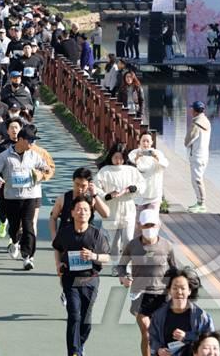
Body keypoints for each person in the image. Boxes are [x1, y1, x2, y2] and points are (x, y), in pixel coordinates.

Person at [51, 195, 110, 356]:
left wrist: (93, 256)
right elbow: (57, 247)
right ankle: (74, 352)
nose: (81, 212)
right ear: (71, 212)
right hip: (70, 280)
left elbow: (107, 257)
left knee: (86, 320)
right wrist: (58, 264)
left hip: (91, 280)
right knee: (74, 314)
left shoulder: (96, 235)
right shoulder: (65, 232)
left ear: (90, 213)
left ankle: (80, 343)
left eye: (85, 209)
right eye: (78, 209)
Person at [0, 126, 52, 271]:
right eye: (30, 141)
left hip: (30, 196)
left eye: (33, 141)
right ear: (21, 140)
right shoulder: (5, 156)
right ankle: (14, 242)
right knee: (15, 226)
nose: (32, 144)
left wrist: (45, 170)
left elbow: (44, 165)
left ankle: (27, 257)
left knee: (29, 226)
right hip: (12, 197)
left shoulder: (34, 155)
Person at [118, 210, 180, 356]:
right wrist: (124, 277)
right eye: (146, 225)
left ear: (158, 225)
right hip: (140, 294)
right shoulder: (132, 245)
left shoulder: (167, 246)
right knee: (146, 332)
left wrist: (176, 290)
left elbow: (175, 270)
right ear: (140, 226)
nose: (149, 228)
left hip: (162, 295)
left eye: (152, 225)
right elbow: (121, 266)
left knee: (163, 334)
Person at [148, 267, 216, 356]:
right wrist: (159, 350)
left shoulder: (202, 317)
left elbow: (211, 343)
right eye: (175, 288)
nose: (179, 292)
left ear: (189, 291)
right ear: (169, 290)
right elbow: (153, 339)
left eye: (183, 288)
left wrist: (186, 337)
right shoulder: (158, 316)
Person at [95, 143, 144, 263]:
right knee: (114, 242)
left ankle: (126, 265)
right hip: (111, 210)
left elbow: (142, 184)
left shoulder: (131, 170)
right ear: (111, 156)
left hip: (127, 209)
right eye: (116, 157)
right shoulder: (104, 171)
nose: (118, 160)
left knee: (128, 239)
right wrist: (107, 195)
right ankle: (116, 265)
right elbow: (97, 188)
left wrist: (133, 188)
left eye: (121, 158)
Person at [128, 132, 169, 213]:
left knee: (152, 219)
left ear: (152, 142)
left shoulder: (158, 153)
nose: (145, 143)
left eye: (148, 141)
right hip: (138, 195)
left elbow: (165, 164)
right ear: (139, 141)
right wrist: (137, 158)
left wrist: (156, 157)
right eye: (143, 141)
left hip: (154, 193)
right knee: (139, 220)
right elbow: (132, 166)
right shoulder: (134, 153)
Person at [184, 101, 211, 214]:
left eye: (192, 109)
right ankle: (199, 202)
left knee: (197, 180)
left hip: (197, 156)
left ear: (194, 110)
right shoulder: (206, 122)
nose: (191, 111)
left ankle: (201, 204)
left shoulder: (196, 124)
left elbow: (187, 141)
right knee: (198, 179)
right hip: (203, 155)